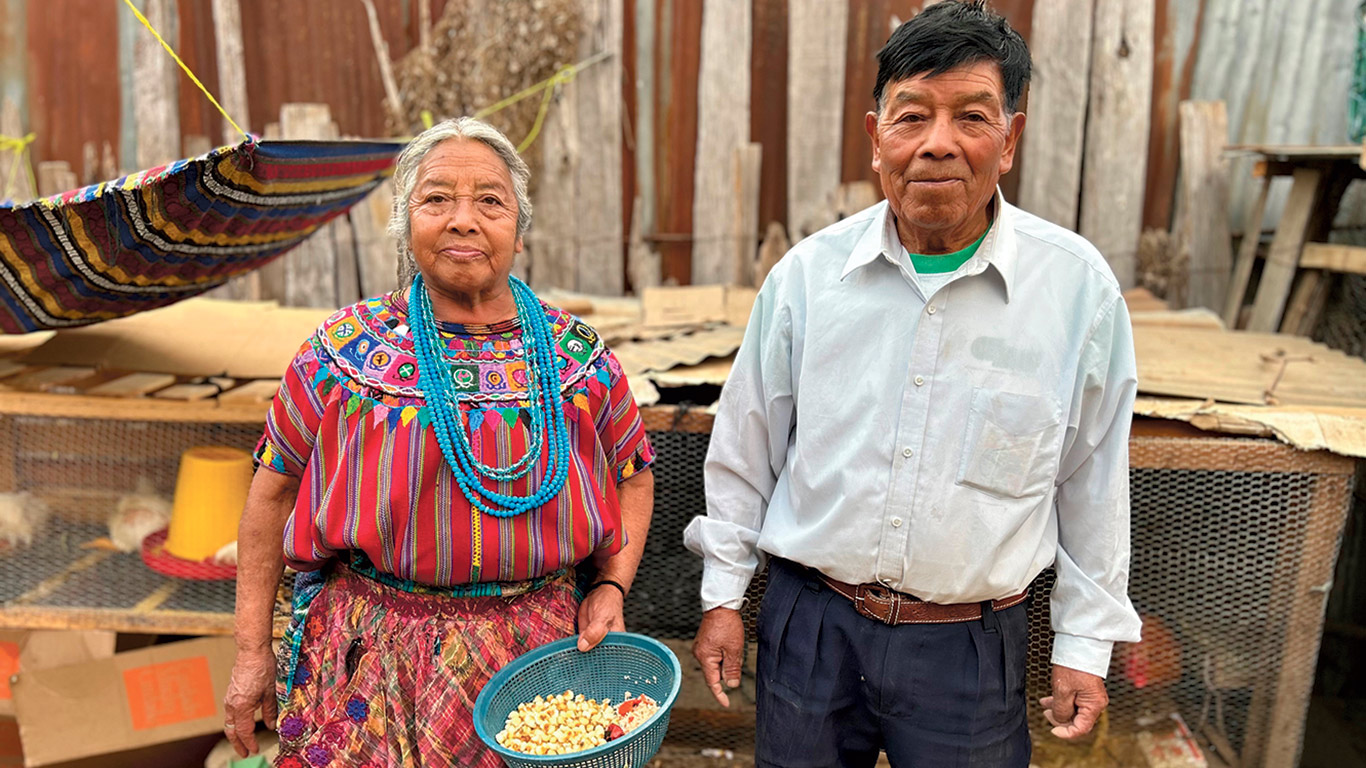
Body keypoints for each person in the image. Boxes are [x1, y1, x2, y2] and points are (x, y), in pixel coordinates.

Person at [684, 2, 1142, 765]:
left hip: (970, 645)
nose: (937, 144)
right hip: (813, 624)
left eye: (971, 116)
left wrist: (1085, 644)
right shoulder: (808, 278)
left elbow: (1094, 482)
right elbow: (746, 448)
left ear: (1010, 139)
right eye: (911, 116)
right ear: (876, 137)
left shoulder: (1076, 292)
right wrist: (723, 598)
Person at [222, 117, 656, 767]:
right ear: (404, 219)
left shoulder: (576, 358)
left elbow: (635, 473)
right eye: (436, 198)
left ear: (518, 224)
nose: (462, 219)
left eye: (489, 200)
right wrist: (253, 650)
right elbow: (272, 492)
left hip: (535, 656)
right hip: (368, 655)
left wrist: (612, 587)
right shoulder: (340, 353)